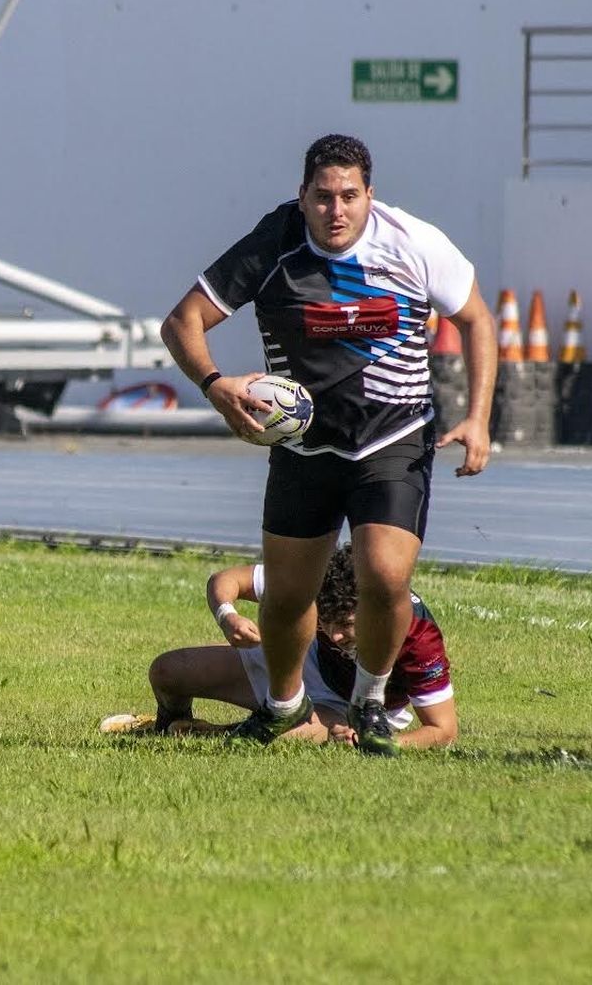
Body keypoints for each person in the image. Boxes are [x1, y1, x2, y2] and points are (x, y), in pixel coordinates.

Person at [160, 134, 494, 755]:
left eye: (349, 196)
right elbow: (181, 322)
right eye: (322, 197)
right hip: (305, 447)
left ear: (370, 194)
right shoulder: (273, 242)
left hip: (391, 439)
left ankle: (370, 702)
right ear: (302, 196)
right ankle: (284, 708)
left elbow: (475, 318)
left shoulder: (414, 243)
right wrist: (217, 387)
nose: (335, 211)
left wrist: (478, 418)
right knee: (287, 597)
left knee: (385, 574)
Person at [100, 544, 457, 747]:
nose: (334, 636)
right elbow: (226, 580)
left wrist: (382, 742)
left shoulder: (417, 634)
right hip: (301, 665)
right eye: (325, 622)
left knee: (291, 737)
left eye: (346, 625)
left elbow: (443, 730)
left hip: (359, 709)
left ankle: (212, 735)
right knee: (168, 671)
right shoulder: (314, 582)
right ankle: (167, 726)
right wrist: (229, 617)